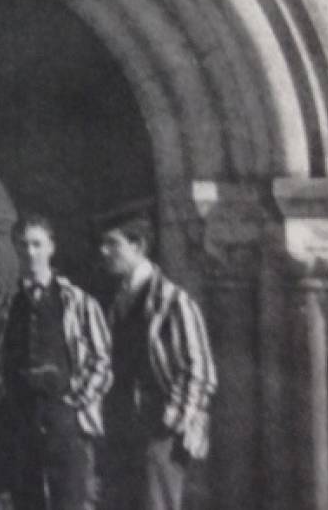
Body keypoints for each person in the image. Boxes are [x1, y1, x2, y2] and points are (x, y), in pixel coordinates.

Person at [0, 214, 112, 510]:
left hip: (64, 421)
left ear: (52, 248)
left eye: (37, 244)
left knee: (71, 500)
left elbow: (101, 360)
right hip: (20, 420)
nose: (30, 253)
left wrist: (76, 403)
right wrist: (1, 399)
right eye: (23, 245)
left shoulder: (77, 303)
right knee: (26, 500)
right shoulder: (3, 305)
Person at [96, 207, 217, 510]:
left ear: (138, 246)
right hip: (123, 429)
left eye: (113, 244)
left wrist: (169, 422)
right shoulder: (118, 301)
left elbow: (199, 371)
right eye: (103, 244)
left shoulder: (173, 301)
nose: (104, 251)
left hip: (159, 435)